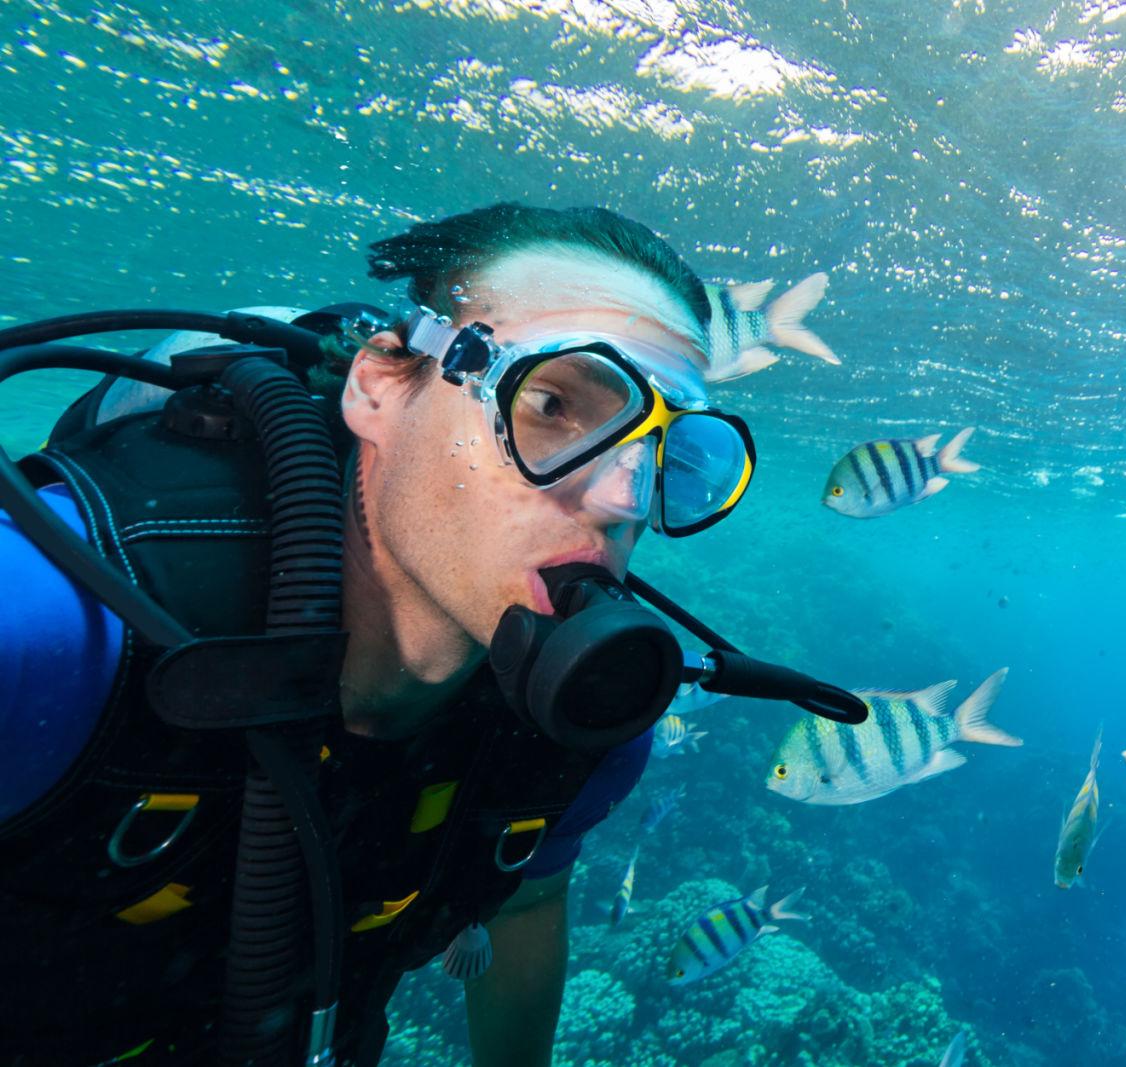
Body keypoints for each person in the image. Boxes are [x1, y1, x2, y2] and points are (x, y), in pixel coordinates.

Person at [0, 203, 782, 1066]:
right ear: (377, 387)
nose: (624, 498)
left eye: (668, 454)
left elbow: (523, 900)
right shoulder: (56, 626)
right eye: (554, 402)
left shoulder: (583, 729)